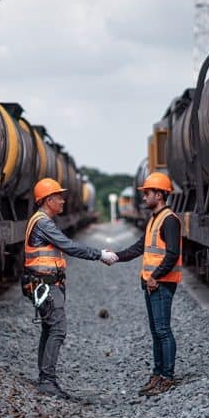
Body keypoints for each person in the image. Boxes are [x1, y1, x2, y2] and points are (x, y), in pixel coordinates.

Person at [24, 177, 118, 399]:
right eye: (58, 197)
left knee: (49, 329)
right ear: (47, 200)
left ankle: (44, 377)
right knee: (57, 330)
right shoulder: (43, 222)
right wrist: (99, 254)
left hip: (45, 284)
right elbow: (68, 246)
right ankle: (47, 381)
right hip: (46, 285)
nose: (63, 200)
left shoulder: (40, 220)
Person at [109, 171, 182, 396]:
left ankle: (167, 377)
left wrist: (155, 276)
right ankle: (158, 373)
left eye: (147, 193)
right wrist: (115, 256)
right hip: (152, 283)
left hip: (161, 284)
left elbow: (172, 254)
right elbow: (139, 247)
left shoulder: (169, 220)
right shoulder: (155, 219)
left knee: (163, 330)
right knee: (155, 331)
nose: (144, 197)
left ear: (159, 195)